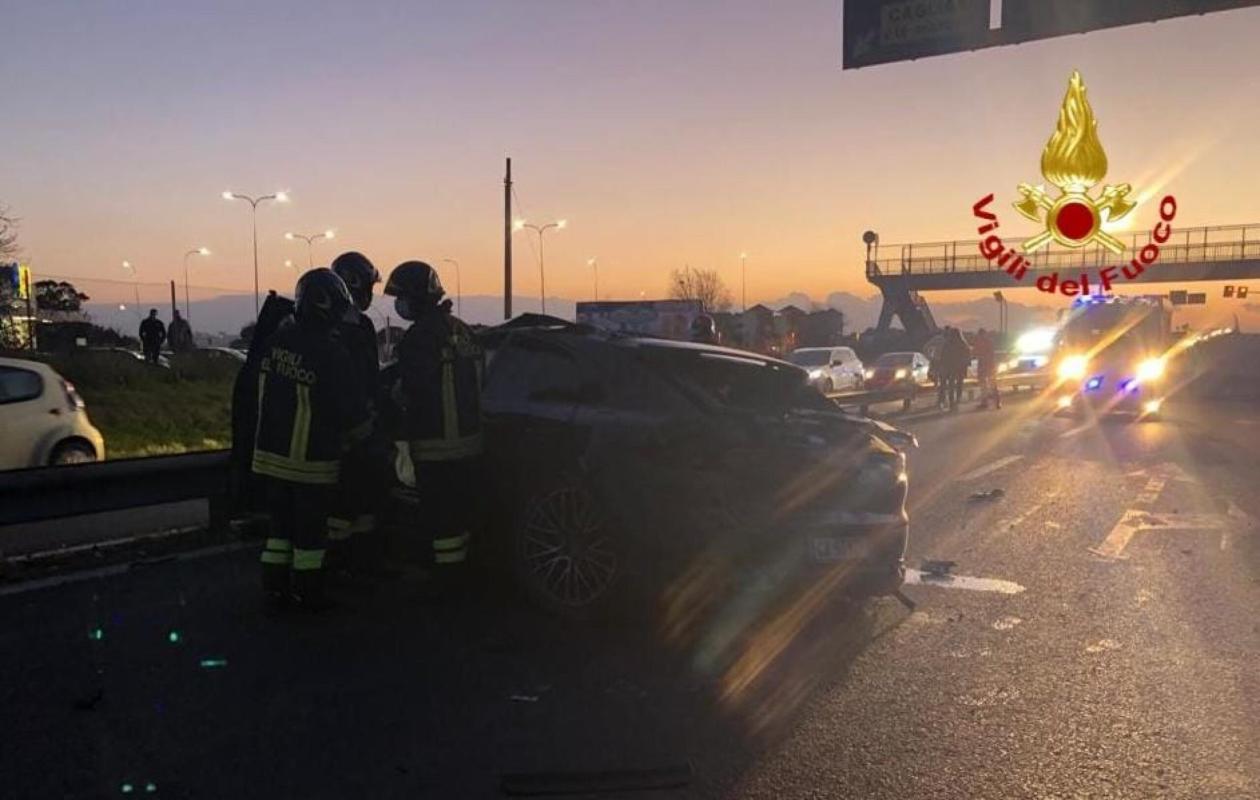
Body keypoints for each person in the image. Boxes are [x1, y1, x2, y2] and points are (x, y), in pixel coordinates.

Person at [253, 269, 369, 611]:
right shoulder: (331, 354)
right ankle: (308, 594)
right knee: (309, 538)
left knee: (279, 532)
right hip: (310, 465)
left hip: (269, 460)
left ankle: (274, 589)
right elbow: (348, 409)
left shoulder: (275, 342)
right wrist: (367, 441)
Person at [384, 261, 484, 590]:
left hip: (434, 444)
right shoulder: (462, 329)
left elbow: (411, 389)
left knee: (440, 518)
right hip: (470, 443)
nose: (399, 305)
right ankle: (465, 572)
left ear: (417, 298)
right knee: (462, 511)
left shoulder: (419, 337)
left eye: (402, 298)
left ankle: (447, 580)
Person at [326, 251, 385, 565]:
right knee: (340, 503)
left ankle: (360, 560)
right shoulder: (333, 328)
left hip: (362, 429)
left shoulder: (360, 325)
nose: (370, 296)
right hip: (338, 432)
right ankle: (338, 563)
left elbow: (371, 377)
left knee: (363, 498)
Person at [941, 327, 972, 411]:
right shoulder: (963, 343)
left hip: (951, 367)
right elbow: (968, 356)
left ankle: (952, 403)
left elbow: (943, 356)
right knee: (959, 385)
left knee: (951, 385)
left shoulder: (948, 344)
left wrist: (943, 366)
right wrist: (967, 365)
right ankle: (957, 400)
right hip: (960, 367)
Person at [973, 327, 1001, 409]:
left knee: (984, 385)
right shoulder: (989, 342)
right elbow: (992, 354)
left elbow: (975, 353)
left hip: (983, 365)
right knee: (992, 384)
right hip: (990, 366)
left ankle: (985, 402)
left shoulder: (979, 342)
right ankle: (997, 402)